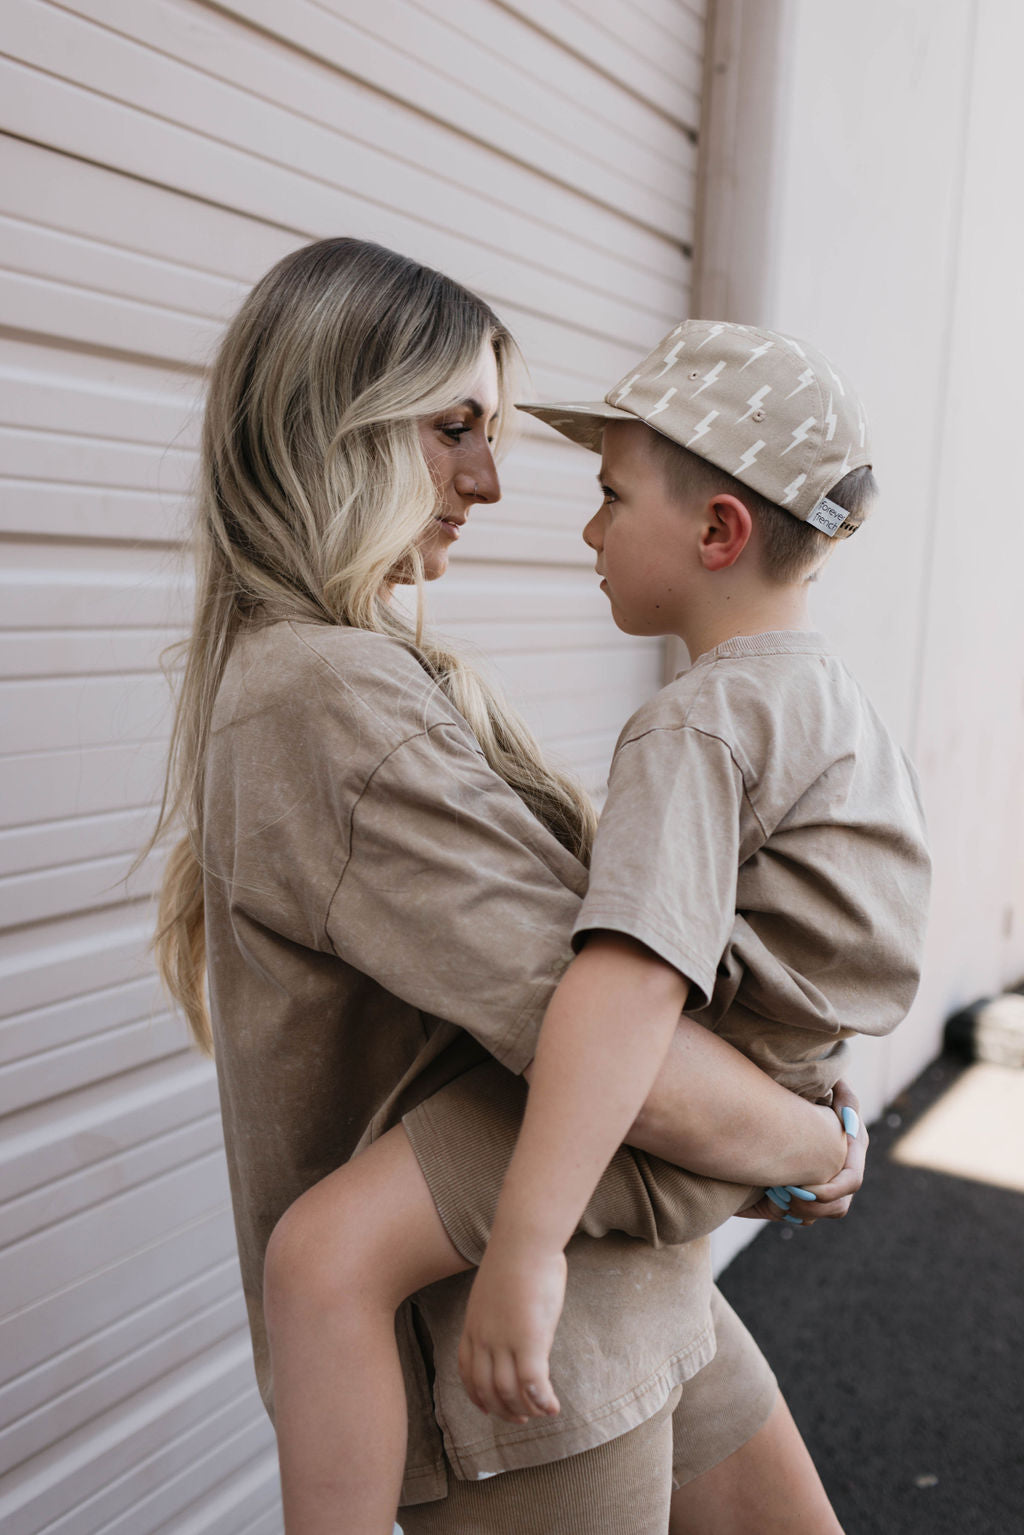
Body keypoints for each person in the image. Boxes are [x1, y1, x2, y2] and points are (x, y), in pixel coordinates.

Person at [152, 238, 869, 1535]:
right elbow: (613, 1042)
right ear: (333, 425)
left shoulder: (363, 671)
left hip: (627, 1298)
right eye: (454, 429)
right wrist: (814, 1145)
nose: (487, 479)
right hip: (523, 1386)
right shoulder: (323, 697)